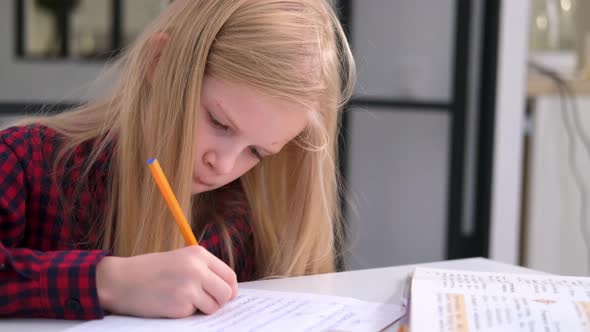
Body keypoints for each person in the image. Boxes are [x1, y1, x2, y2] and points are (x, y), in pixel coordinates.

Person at [0, 0, 355, 320]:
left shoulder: (238, 222)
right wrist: (107, 281)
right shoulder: (23, 159)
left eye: (256, 152)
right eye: (219, 123)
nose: (225, 166)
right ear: (160, 63)